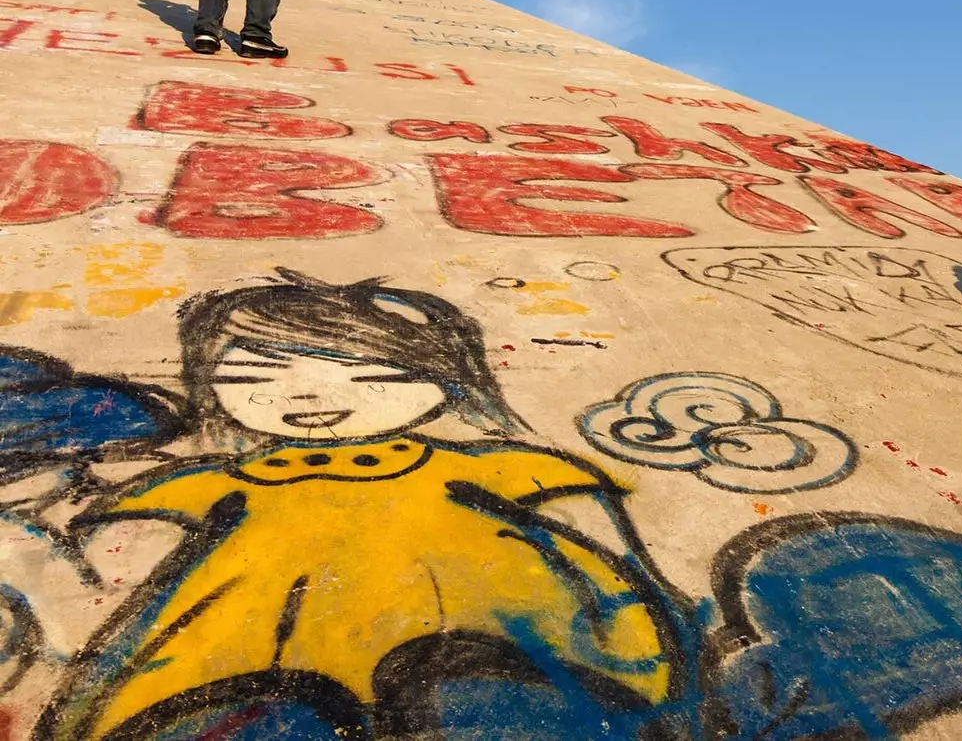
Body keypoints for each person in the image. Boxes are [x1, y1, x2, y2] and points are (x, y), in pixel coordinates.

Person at [36, 270, 684, 741]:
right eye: (258, 372)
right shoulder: (218, 479)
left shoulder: (497, 466)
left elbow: (611, 542)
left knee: (493, 690)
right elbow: (108, 532)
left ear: (445, 379)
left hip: (490, 638)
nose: (310, 391)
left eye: (363, 370)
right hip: (244, 634)